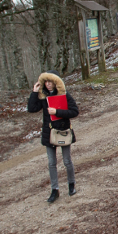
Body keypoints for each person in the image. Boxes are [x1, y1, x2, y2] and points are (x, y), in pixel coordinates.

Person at [27, 70, 79, 203]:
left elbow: (74, 111)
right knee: (51, 163)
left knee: (67, 161)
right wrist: (34, 92)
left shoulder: (64, 95)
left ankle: (71, 184)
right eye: (46, 82)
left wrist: (57, 112)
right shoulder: (43, 96)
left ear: (56, 82)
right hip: (48, 133)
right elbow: (32, 108)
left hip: (62, 131)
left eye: (51, 82)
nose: (48, 84)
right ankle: (54, 190)